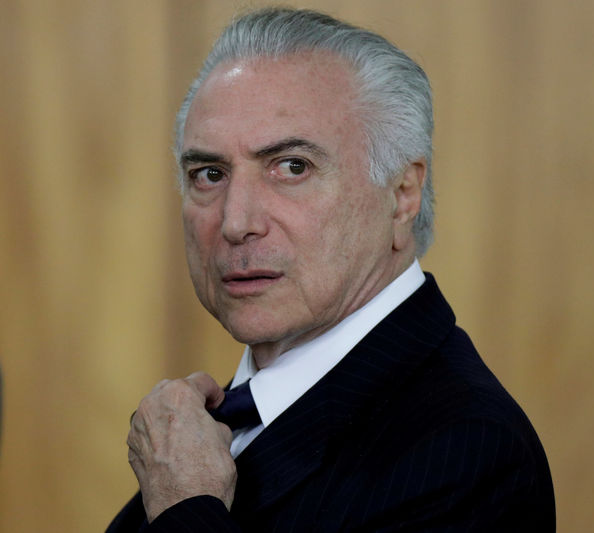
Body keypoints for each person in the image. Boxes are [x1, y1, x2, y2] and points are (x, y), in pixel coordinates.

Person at [107, 7, 555, 532]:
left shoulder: (468, 452)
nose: (236, 222)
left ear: (402, 195)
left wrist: (184, 508)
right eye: (209, 174)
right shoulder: (210, 431)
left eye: (292, 166)